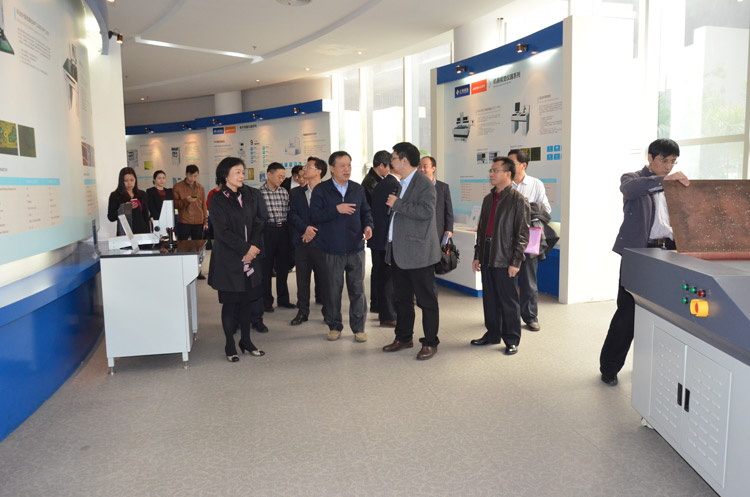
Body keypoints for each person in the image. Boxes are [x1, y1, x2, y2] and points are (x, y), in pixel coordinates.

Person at [600, 139, 688, 386]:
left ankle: (651, 367)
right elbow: (631, 189)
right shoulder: (633, 179)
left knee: (664, 313)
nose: (668, 166)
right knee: (628, 312)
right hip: (640, 253)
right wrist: (665, 180)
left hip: (668, 251)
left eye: (673, 162)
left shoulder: (676, 184)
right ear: (650, 158)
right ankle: (609, 367)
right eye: (664, 160)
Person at [382, 142, 441, 360]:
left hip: (419, 253)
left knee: (426, 301)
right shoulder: (401, 183)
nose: (391, 162)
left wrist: (397, 204)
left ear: (404, 160)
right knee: (402, 299)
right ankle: (404, 337)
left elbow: (426, 212)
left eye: (393, 158)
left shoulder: (424, 184)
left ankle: (430, 342)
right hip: (400, 252)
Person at [310, 151, 373, 342]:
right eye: (342, 166)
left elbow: (366, 212)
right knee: (332, 291)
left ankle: (359, 328)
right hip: (331, 249)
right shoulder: (321, 190)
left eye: (349, 165)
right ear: (332, 168)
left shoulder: (357, 189)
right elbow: (315, 216)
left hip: (355, 248)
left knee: (357, 291)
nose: (347, 169)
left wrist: (368, 226)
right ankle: (334, 326)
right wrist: (336, 209)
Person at [470, 157, 530, 355]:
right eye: (491, 170)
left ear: (508, 174)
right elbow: (481, 230)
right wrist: (477, 255)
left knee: (508, 300)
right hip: (487, 253)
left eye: (496, 170)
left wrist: (515, 262)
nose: (491, 174)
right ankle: (492, 334)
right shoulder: (488, 199)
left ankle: (512, 339)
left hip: (505, 256)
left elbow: (522, 235)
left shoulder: (518, 200)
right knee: (490, 298)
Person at [208, 157, 266, 362]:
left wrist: (252, 248)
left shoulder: (249, 195)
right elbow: (222, 231)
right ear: (225, 175)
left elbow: (258, 222)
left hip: (249, 257)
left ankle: (246, 341)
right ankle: (230, 345)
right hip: (229, 259)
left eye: (243, 172)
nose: (242, 176)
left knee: (247, 301)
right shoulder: (217, 199)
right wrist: (245, 248)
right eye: (237, 172)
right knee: (230, 303)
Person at [507, 149, 551, 332]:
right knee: (507, 281)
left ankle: (530, 317)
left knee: (529, 280)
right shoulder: (505, 183)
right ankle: (508, 316)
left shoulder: (536, 184)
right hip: (507, 239)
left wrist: (524, 209)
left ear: (523, 165)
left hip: (530, 238)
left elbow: (546, 210)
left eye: (512, 163)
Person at [288, 157, 328, 326]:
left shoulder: (328, 192)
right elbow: (292, 214)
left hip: (323, 244)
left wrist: (312, 231)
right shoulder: (296, 193)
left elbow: (330, 216)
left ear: (318, 171)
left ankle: (328, 312)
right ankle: (302, 312)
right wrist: (305, 229)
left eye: (308, 166)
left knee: (326, 280)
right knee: (302, 280)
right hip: (302, 243)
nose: (305, 169)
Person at [260, 162, 294, 312]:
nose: (281, 179)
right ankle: (266, 301)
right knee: (266, 268)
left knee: (283, 267)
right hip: (267, 231)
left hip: (283, 231)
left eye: (283, 177)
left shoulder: (284, 192)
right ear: (269, 175)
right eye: (279, 176)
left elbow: (288, 212)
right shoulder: (259, 193)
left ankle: (283, 299)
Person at [370, 159, 400, 327]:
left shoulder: (382, 183)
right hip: (387, 240)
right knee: (389, 280)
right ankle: (389, 315)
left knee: (382, 277)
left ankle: (384, 313)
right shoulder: (394, 185)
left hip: (379, 239)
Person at [364, 150, 391, 314]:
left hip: (378, 232)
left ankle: (378, 302)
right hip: (377, 232)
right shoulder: (372, 183)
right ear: (381, 165)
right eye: (389, 166)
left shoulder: (376, 180)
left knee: (379, 269)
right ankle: (377, 302)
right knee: (379, 270)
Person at [173, 164, 208, 278]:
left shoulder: (200, 187)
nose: (193, 178)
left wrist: (205, 221)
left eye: (195, 176)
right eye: (191, 176)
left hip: (198, 221)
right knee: (182, 246)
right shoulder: (178, 187)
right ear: (186, 174)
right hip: (184, 220)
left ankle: (198, 271)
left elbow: (203, 205)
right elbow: (176, 205)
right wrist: (186, 200)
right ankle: (182, 269)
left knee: (198, 247)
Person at [418, 156, 454, 243]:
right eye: (420, 166)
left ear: (433, 168)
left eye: (425, 166)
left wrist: (449, 229)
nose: (422, 169)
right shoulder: (415, 187)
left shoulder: (443, 187)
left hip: (438, 231)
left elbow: (448, 210)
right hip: (419, 231)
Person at [107, 167, 150, 235]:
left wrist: (148, 234)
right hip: (125, 233)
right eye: (126, 181)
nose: (129, 183)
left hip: (141, 232)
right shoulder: (115, 195)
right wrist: (125, 208)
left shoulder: (142, 194)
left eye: (132, 180)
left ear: (135, 180)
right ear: (121, 181)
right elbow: (111, 217)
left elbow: (146, 216)